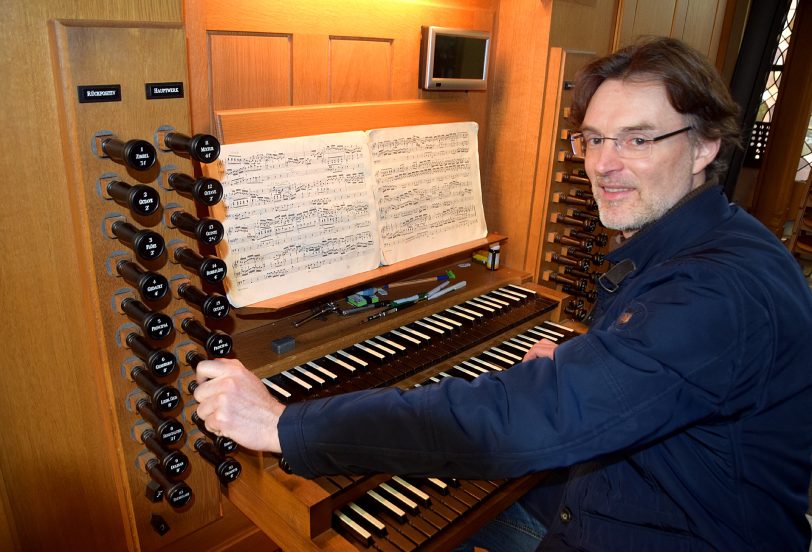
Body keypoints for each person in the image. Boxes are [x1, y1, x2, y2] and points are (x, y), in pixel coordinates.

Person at [193, 37, 812, 551]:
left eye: (637, 138)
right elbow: (656, 366)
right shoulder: (706, 242)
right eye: (594, 139)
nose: (603, 164)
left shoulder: (717, 289)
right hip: (623, 493)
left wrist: (285, 424)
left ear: (705, 146)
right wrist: (584, 365)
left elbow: (521, 419)